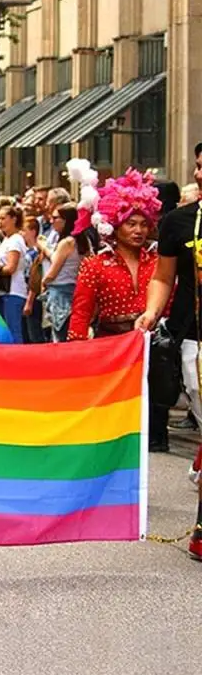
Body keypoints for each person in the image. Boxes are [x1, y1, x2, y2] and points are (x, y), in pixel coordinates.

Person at [69, 168, 164, 450]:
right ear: (115, 224)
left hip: (153, 350)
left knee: (150, 427)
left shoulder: (159, 261)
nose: (138, 230)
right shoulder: (94, 264)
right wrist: (76, 353)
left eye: (143, 224)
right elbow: (81, 312)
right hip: (110, 351)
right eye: (131, 223)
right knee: (112, 424)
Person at [138, 146, 202, 524]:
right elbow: (163, 277)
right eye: (198, 167)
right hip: (193, 339)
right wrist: (151, 313)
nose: (199, 174)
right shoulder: (178, 222)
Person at [40, 203, 90, 342]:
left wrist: (44, 282)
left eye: (56, 218)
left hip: (60, 293)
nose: (52, 221)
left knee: (59, 335)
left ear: (66, 220)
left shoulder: (67, 242)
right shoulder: (82, 241)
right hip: (76, 290)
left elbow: (53, 272)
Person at [0, 205, 27, 343]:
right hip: (4, 291)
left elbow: (11, 267)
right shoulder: (7, 239)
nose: (0, 222)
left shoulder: (15, 240)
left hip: (13, 291)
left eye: (3, 218)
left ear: (13, 219)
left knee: (13, 331)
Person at [21, 217, 47, 343]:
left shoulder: (36, 253)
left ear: (33, 231)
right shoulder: (25, 250)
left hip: (33, 295)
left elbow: (35, 278)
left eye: (24, 230)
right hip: (24, 292)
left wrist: (29, 301)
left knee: (34, 333)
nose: (22, 233)